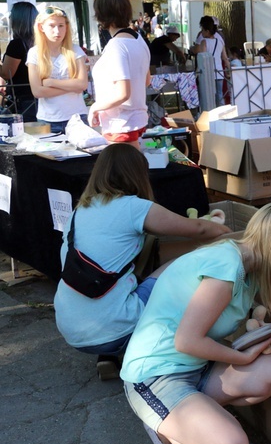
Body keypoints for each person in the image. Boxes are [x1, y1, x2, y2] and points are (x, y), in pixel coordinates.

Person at [54, 143, 231, 380]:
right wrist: (229, 234)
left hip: (71, 329)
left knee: (140, 262)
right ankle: (178, 350)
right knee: (182, 266)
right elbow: (198, 229)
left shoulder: (79, 211)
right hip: (112, 329)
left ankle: (108, 355)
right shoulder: (133, 207)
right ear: (137, 173)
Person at [120, 203, 271, 444]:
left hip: (197, 367)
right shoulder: (227, 265)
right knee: (232, 442)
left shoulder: (253, 264)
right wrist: (242, 357)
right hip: (155, 376)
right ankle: (167, 430)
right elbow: (186, 341)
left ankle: (196, 420)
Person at [89, 0, 151, 146]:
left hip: (121, 124)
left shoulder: (116, 45)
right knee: (133, 167)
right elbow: (146, 80)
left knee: (124, 169)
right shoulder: (139, 40)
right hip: (134, 120)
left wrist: (95, 107)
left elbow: (123, 93)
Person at [27, 6, 88, 134]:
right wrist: (71, 86)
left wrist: (51, 83)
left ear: (66, 27)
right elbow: (37, 91)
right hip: (48, 120)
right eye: (52, 26)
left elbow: (82, 84)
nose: (57, 31)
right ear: (41, 27)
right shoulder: (34, 53)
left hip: (77, 118)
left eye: (61, 25)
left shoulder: (75, 50)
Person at [1, 2, 39, 122]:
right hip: (41, 97)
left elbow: (7, 73)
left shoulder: (17, 45)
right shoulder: (41, 43)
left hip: (24, 101)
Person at [191, 15, 230, 107]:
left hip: (208, 72)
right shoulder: (220, 41)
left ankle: (209, 113)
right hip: (219, 71)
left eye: (202, 30)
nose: (201, 32)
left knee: (208, 96)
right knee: (220, 95)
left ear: (207, 31)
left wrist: (197, 71)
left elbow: (203, 58)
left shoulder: (204, 42)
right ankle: (221, 113)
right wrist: (229, 68)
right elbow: (224, 57)